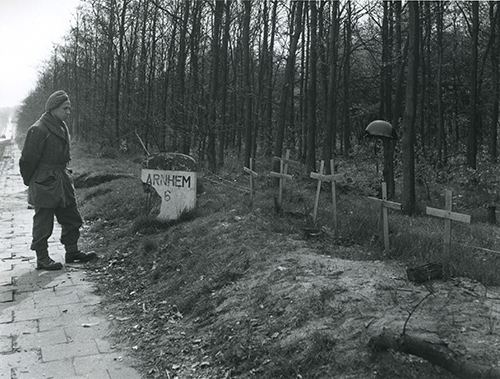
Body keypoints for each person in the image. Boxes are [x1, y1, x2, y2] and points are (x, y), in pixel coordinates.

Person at [19, 90, 96, 270]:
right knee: (43, 222)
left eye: (69, 108)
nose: (68, 112)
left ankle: (72, 251)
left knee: (71, 215)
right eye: (65, 108)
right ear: (53, 108)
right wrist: (32, 182)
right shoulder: (38, 129)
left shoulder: (61, 125)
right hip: (44, 180)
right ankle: (42, 258)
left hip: (61, 177)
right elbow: (27, 161)